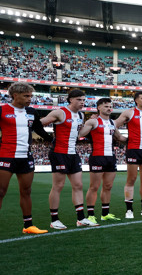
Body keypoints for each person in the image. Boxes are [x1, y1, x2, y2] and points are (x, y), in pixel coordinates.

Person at [41, 88, 98, 228]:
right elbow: (39, 123)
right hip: (59, 153)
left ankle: (81, 218)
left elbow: (79, 134)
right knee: (58, 186)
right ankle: (54, 220)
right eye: (79, 99)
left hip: (73, 153)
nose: (82, 102)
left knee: (78, 185)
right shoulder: (59, 112)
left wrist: (90, 123)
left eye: (84, 100)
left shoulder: (80, 115)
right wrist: (47, 138)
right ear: (70, 99)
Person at [0, 82, 52, 234]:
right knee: (1, 191)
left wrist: (52, 140)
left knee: (26, 191)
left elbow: (39, 130)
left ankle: (28, 225)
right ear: (15, 96)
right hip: (6, 156)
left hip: (26, 157)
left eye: (31, 96)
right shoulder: (2, 110)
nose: (30, 99)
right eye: (26, 96)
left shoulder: (32, 112)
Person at [79, 97, 127, 223]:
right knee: (94, 187)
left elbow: (120, 137)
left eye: (110, 106)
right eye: (106, 106)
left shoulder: (112, 123)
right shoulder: (93, 122)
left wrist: (134, 139)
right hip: (97, 157)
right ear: (99, 107)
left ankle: (105, 214)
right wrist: (87, 121)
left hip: (110, 157)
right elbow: (81, 134)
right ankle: (90, 215)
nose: (109, 108)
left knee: (108, 186)